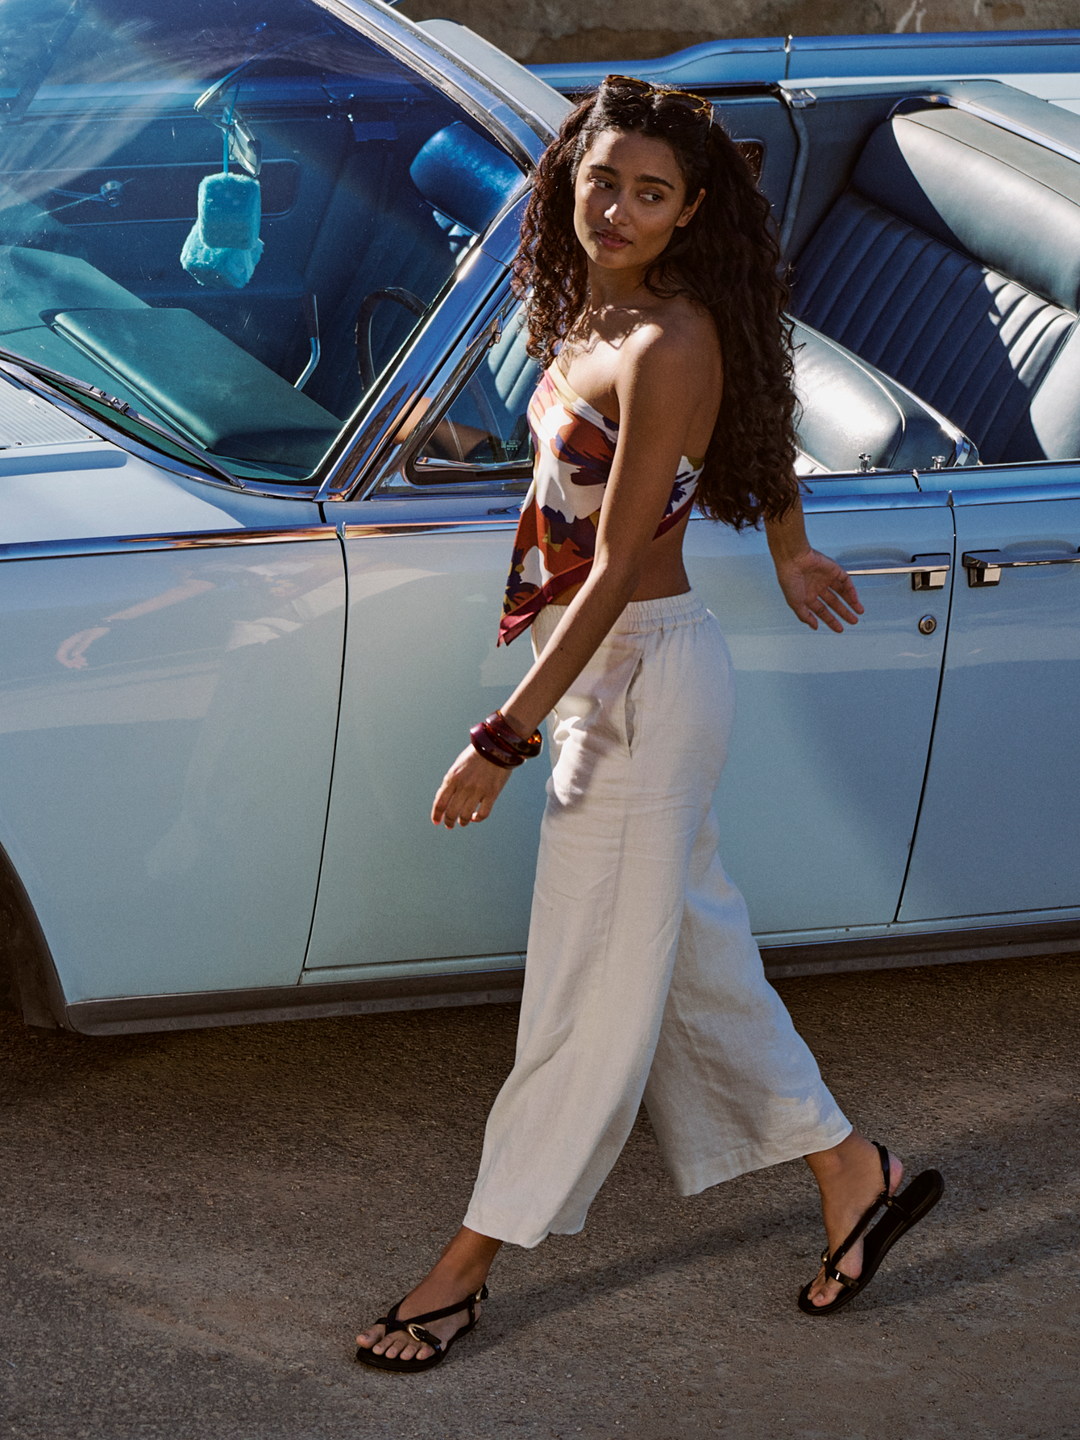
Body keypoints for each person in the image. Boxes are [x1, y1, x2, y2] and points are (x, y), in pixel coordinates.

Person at [356, 74, 943, 1374]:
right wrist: (787, 546)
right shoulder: (593, 308)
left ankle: (466, 1267)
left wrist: (501, 738)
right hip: (614, 682)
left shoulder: (666, 339)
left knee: (584, 1002)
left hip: (634, 693)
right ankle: (861, 1175)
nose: (616, 208)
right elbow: (740, 433)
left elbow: (617, 563)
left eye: (651, 194)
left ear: (689, 216)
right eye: (600, 178)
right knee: (691, 968)